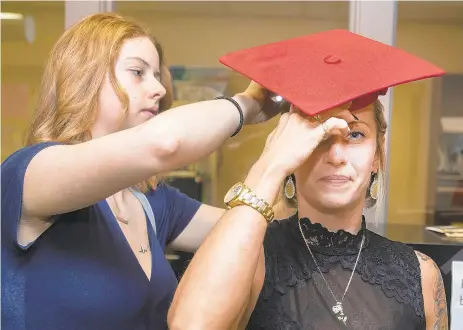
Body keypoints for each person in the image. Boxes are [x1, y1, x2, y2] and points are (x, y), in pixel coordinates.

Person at [0, 13, 282, 330]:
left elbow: (256, 228)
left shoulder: (153, 202)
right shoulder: (29, 173)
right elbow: (165, 143)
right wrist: (248, 105)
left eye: (157, 75)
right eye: (138, 72)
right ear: (84, 78)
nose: (158, 88)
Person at [168, 29, 449, 329]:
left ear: (377, 155)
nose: (337, 155)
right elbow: (190, 324)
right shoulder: (252, 261)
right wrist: (271, 165)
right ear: (292, 149)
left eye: (355, 135)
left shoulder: (421, 275)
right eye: (320, 136)